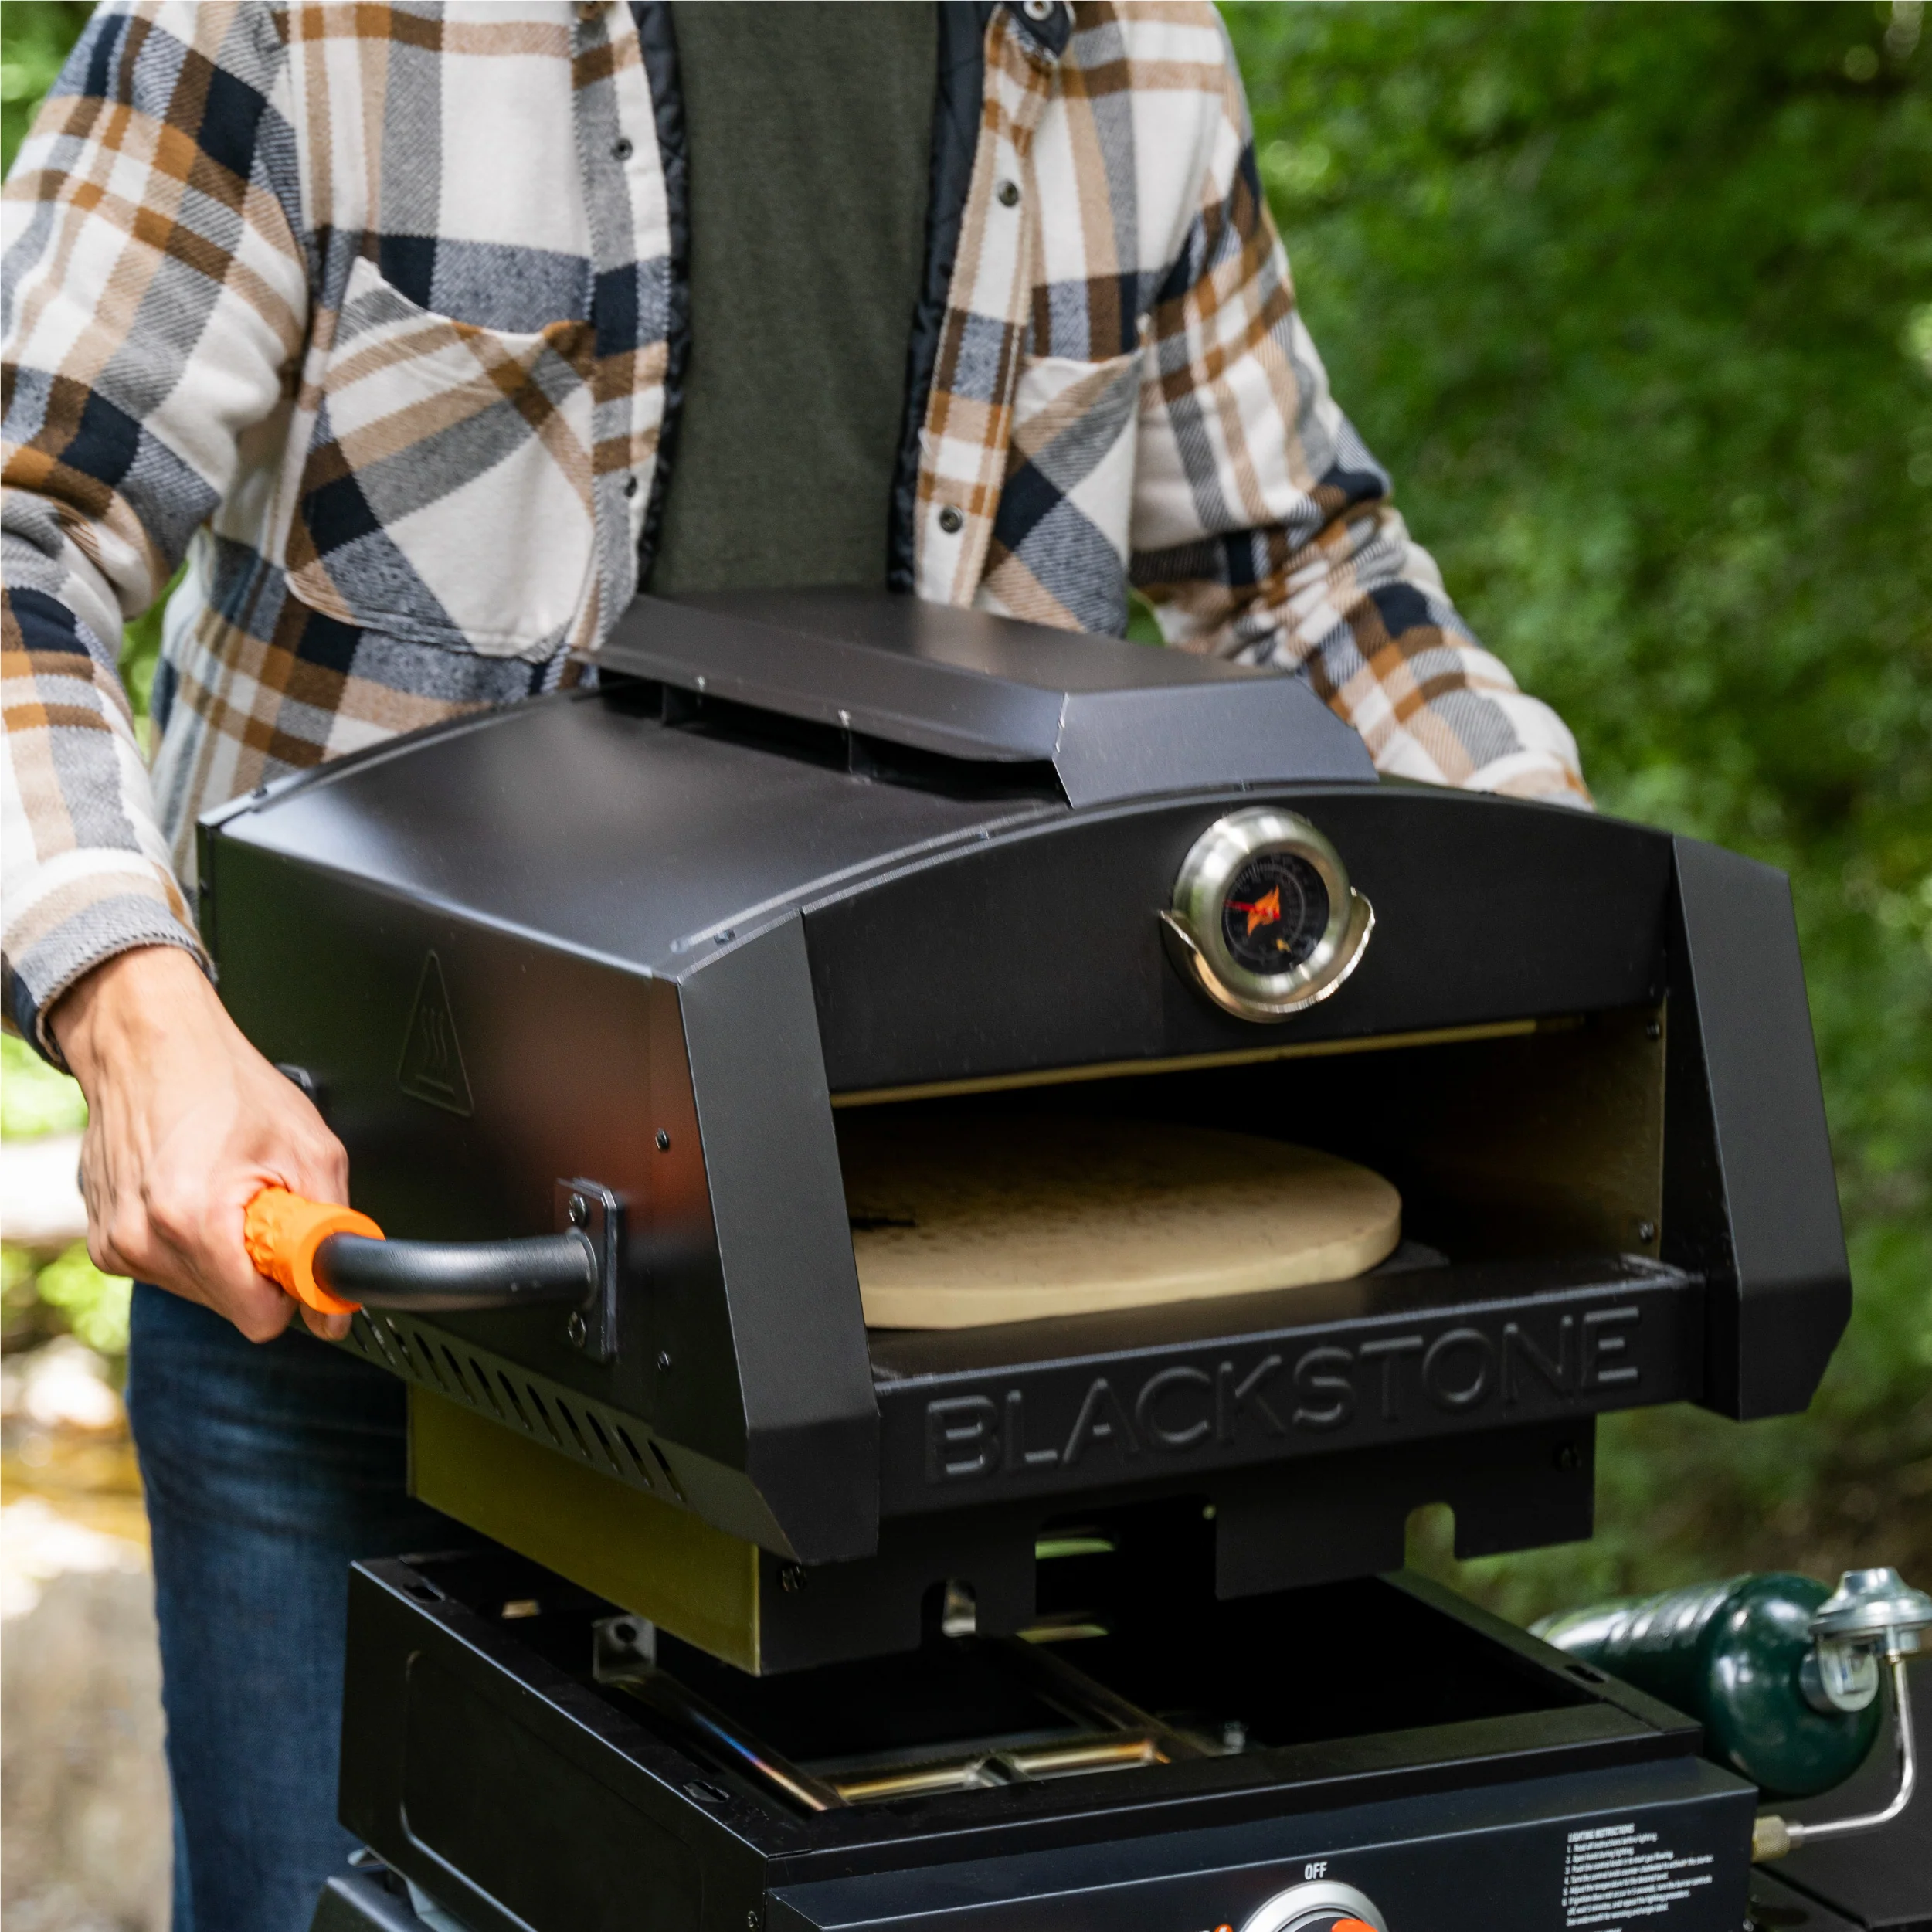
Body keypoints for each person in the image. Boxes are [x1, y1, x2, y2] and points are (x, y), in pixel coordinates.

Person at [2, 3, 1588, 1925]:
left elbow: (1303, 570)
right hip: (363, 1263)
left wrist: (1581, 905)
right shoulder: (312, 18)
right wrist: (132, 1004)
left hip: (913, 1309)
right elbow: (23, 523)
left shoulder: (1131, 47)